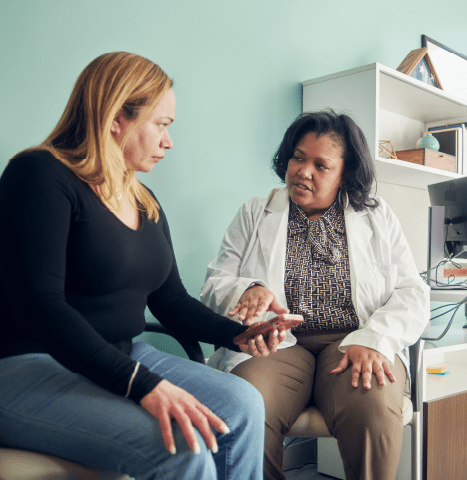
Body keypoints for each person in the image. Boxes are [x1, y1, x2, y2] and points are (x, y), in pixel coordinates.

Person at [0, 52, 287, 480]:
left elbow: (170, 299)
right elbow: (40, 306)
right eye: (162, 125)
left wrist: (239, 334)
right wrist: (140, 383)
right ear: (118, 117)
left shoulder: (143, 200)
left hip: (122, 352)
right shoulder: (39, 174)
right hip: (28, 365)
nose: (168, 141)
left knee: (242, 404)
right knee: (183, 450)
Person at [200, 110, 430, 480]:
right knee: (246, 404)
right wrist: (248, 289)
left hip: (353, 341)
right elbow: (214, 283)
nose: (303, 171)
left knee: (372, 405)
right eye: (298, 157)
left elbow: (411, 292)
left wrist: (375, 340)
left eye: (321, 165)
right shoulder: (255, 213)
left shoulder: (376, 216)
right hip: (278, 343)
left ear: (346, 173)